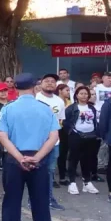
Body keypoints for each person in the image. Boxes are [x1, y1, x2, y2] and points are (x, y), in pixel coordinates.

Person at [0, 73, 58, 221]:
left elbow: (2, 136)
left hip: (14, 160)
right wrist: (37, 157)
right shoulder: (45, 109)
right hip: (39, 160)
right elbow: (54, 137)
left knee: (11, 204)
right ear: (35, 86)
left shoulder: (8, 109)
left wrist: (19, 157)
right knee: (40, 205)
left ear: (15, 88)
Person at [36, 73, 66, 210]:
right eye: (46, 81)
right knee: (37, 172)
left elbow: (59, 122)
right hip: (37, 143)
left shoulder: (59, 101)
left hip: (54, 143)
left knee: (50, 171)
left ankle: (49, 198)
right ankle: (34, 199)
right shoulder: (35, 98)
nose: (50, 83)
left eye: (53, 81)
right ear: (40, 84)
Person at [63, 86, 101, 196]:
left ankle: (87, 182)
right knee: (73, 159)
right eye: (81, 93)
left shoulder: (92, 108)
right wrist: (72, 132)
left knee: (87, 159)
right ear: (76, 95)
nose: (84, 96)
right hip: (76, 136)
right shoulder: (71, 108)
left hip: (90, 137)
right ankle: (72, 182)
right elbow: (66, 122)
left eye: (86, 94)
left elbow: (94, 121)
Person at [55, 83, 72, 186]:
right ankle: (51, 179)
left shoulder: (69, 102)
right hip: (56, 129)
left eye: (69, 90)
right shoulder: (55, 101)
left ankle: (62, 177)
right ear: (60, 91)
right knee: (55, 153)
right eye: (67, 90)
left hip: (66, 130)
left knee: (63, 153)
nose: (68, 92)